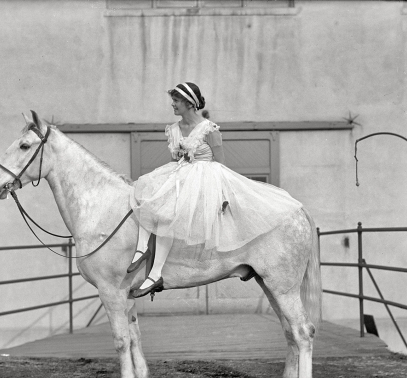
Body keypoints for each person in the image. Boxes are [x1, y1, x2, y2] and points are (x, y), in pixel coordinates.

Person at [129, 82, 303, 298]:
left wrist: (222, 195)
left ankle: (155, 274)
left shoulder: (208, 129)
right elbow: (174, 161)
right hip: (179, 175)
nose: (172, 105)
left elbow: (220, 164)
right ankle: (141, 248)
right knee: (147, 192)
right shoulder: (173, 130)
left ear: (189, 103)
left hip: (204, 180)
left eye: (176, 101)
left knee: (169, 214)